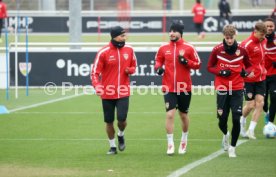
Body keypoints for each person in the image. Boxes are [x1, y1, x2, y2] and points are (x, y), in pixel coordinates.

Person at [154, 20, 201, 155]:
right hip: (168, 87)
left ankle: (184, 139)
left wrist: (186, 62)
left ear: (180, 33)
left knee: (183, 115)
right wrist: (158, 68)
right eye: (170, 31)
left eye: (174, 31)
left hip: (184, 87)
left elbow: (198, 64)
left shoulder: (189, 47)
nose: (171, 33)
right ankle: (170, 144)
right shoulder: (163, 48)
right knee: (169, 114)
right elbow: (158, 61)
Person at [207, 24, 253, 158]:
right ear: (224, 37)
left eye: (231, 38)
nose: (229, 40)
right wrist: (220, 71)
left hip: (237, 87)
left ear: (235, 36)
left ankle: (233, 147)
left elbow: (249, 66)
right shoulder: (217, 50)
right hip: (222, 87)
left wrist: (246, 72)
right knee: (222, 119)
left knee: (236, 118)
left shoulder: (242, 50)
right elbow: (209, 67)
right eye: (227, 38)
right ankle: (226, 134)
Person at [91, 26, 137, 155]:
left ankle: (121, 134)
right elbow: (95, 72)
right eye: (122, 36)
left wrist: (131, 70)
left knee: (122, 119)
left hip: (123, 91)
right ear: (115, 36)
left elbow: (134, 65)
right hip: (107, 93)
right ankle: (112, 146)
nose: (125, 38)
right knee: (109, 121)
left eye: (125, 35)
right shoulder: (103, 52)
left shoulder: (130, 49)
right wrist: (97, 86)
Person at [240, 22, 267, 139]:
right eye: (261, 34)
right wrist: (245, 72)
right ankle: (242, 123)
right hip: (249, 79)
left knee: (260, 102)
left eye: (264, 35)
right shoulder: (246, 44)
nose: (263, 37)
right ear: (255, 31)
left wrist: (263, 68)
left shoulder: (264, 41)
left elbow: (262, 58)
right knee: (250, 105)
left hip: (261, 78)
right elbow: (238, 60)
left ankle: (251, 130)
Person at [263, 18, 276, 127]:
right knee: (262, 101)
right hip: (262, 75)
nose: (269, 28)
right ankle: (266, 113)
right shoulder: (259, 40)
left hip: (274, 74)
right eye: (267, 26)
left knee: (274, 98)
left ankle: (270, 123)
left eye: (271, 26)